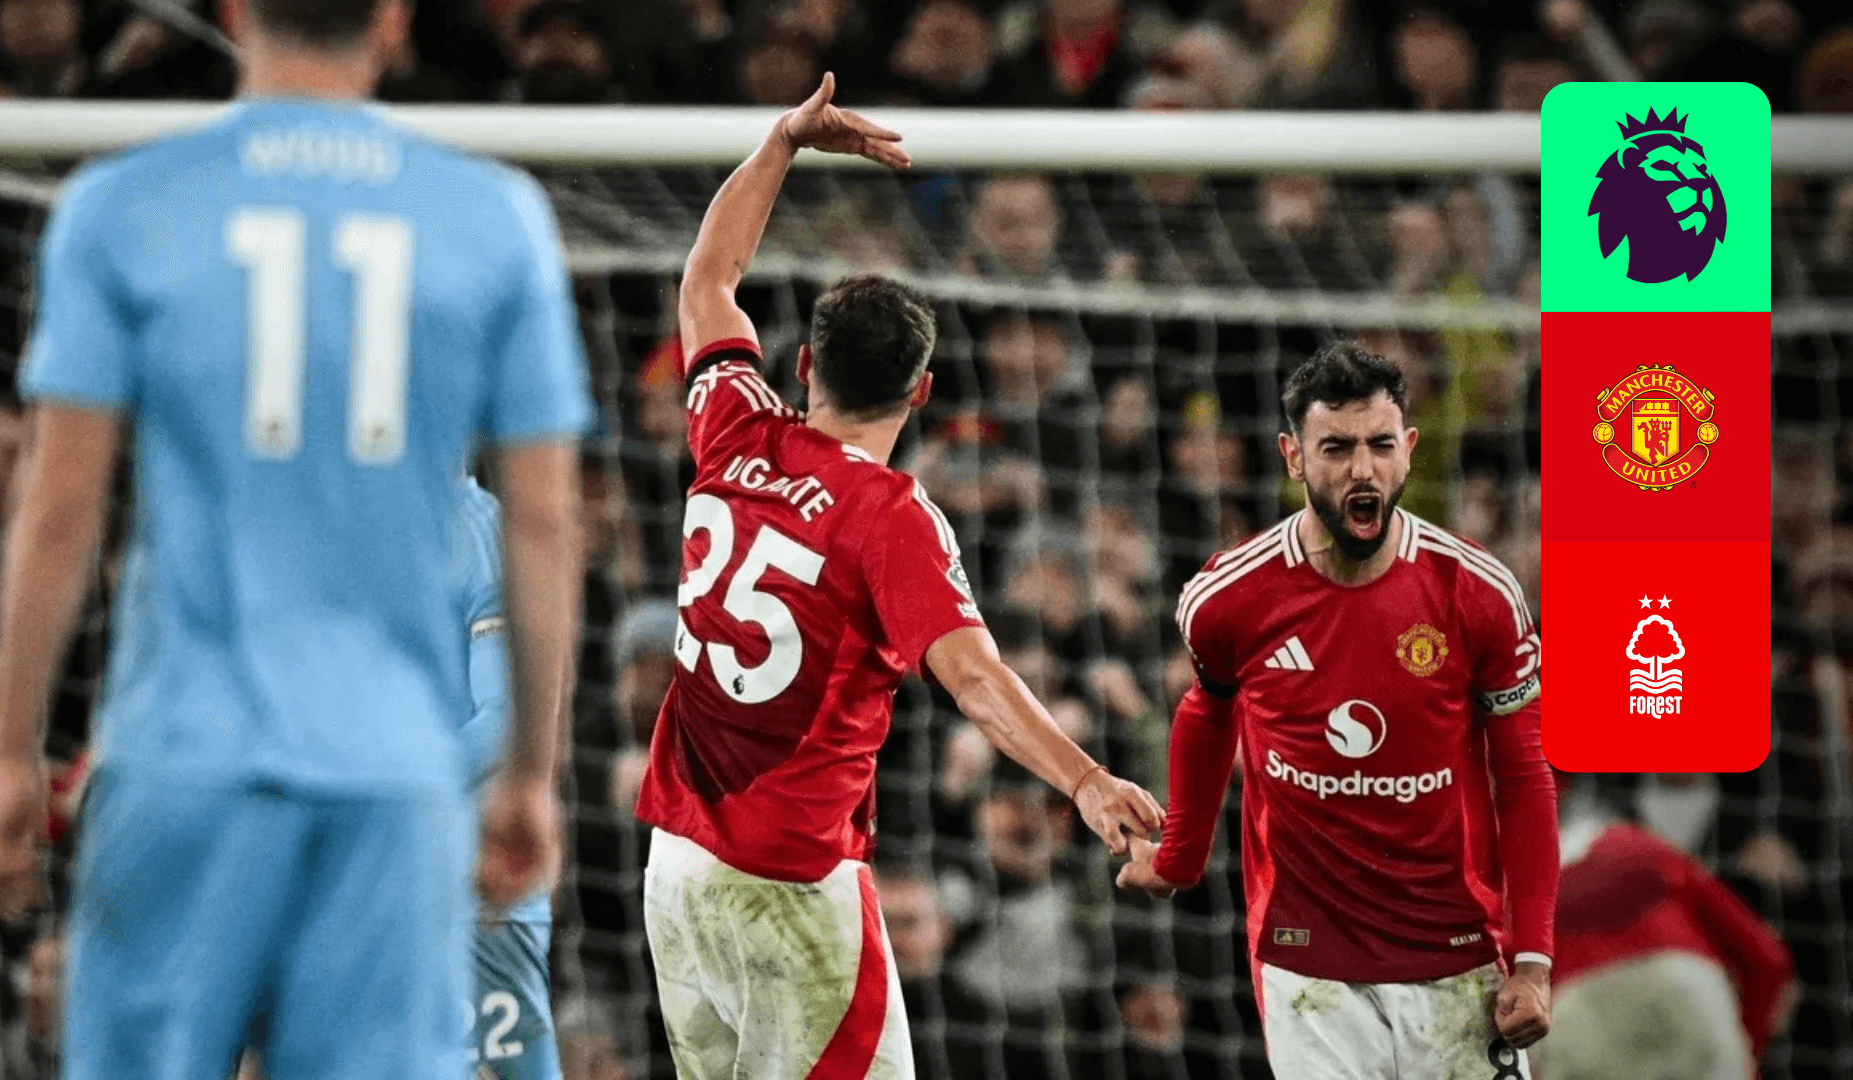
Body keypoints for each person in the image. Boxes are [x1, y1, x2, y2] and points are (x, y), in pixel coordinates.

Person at [0, 0, 590, 1076]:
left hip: (182, 760)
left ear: (233, 11)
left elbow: (59, 511)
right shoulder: (493, 218)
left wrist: (11, 754)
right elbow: (543, 519)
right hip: (390, 782)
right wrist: (530, 773)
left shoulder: (123, 206)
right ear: (393, 22)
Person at [636, 73, 1163, 1079]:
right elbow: (974, 679)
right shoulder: (890, 516)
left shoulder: (736, 426)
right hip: (792, 882)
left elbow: (709, 276)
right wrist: (1086, 780)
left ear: (804, 368)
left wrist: (784, 142)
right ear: (922, 391)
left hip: (677, 865)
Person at [1119, 342, 1558, 1079]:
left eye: (1380, 445)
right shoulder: (1228, 598)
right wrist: (1180, 857)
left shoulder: (1478, 594)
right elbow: (1207, 712)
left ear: (1408, 449)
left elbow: (1523, 774)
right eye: (1337, 448)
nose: (1362, 469)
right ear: (1293, 456)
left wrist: (1536, 959)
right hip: (1307, 965)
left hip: (1459, 953)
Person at [1535, 787, 1796, 1080]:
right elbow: (1769, 960)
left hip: (1577, 1013)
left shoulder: (1517, 895)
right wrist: (1745, 1049)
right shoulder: (1637, 844)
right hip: (1685, 987)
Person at [452, 475, 560, 1080]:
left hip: (475, 879)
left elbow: (502, 719)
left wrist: (395, 789)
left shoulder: (482, 529)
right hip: (367, 868)